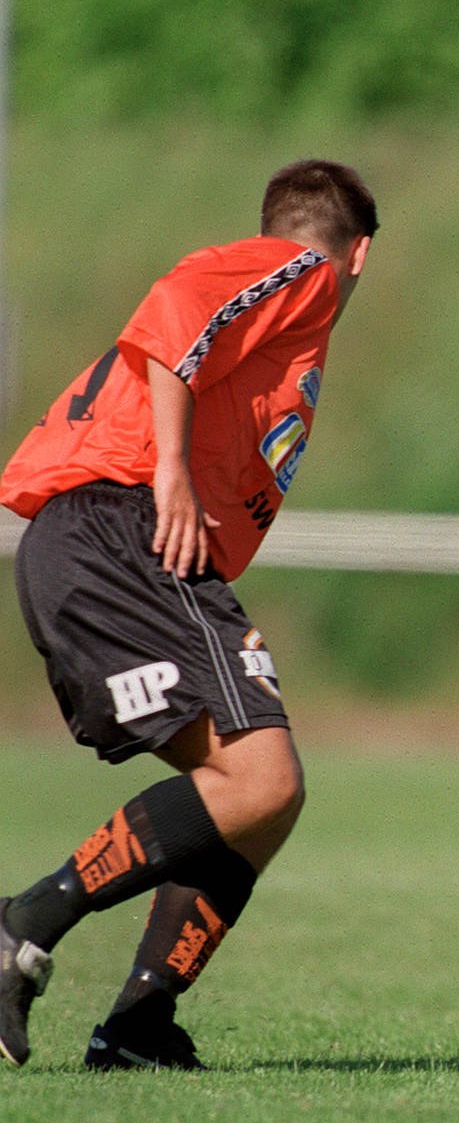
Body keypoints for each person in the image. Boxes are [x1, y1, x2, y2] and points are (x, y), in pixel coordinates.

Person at [0, 159, 377, 1071]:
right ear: (360, 254)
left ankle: (137, 1025)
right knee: (264, 782)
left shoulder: (288, 317)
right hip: (124, 527)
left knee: (259, 803)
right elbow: (175, 314)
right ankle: (22, 927)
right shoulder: (304, 275)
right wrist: (169, 468)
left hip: (98, 544)